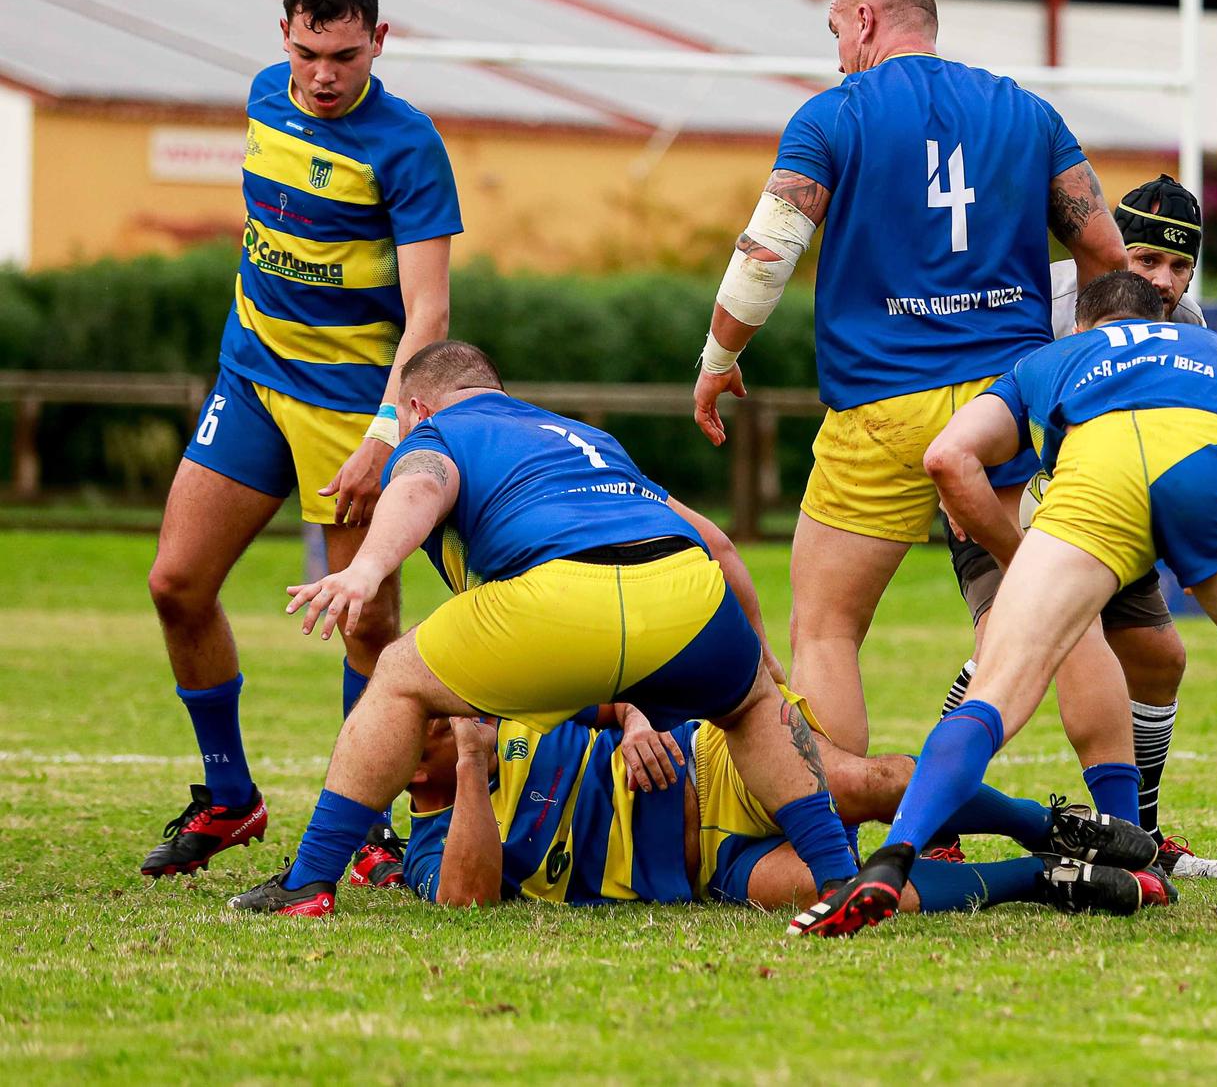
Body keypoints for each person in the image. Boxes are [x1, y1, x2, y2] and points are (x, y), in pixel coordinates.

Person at [794, 272, 1217, 940]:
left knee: (994, 695)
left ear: (1083, 323)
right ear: (1165, 320)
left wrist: (1017, 556)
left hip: (1094, 483)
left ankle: (892, 859)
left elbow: (947, 457)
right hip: (1204, 463)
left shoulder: (1048, 359)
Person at [224, 341, 858, 920]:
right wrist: (758, 659)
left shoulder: (438, 431)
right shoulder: (587, 437)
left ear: (416, 407)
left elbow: (421, 484)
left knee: (395, 675)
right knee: (748, 708)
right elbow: (718, 544)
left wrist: (365, 569)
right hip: (683, 589)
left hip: (560, 595)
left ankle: (307, 885)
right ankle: (837, 879)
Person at [689, 0, 1128, 784]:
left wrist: (719, 359)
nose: (837, 58)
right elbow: (1104, 254)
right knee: (1067, 616)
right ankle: (1124, 823)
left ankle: (839, 834)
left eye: (835, 37)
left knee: (826, 628)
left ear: (863, 21)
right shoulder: (1028, 113)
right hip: (1008, 405)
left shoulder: (832, 116)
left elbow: (766, 257)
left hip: (881, 406)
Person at [140, 0, 458, 886]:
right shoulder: (260, 99)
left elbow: (429, 314)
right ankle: (230, 798)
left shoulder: (407, 145)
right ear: (283, 35)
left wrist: (384, 436)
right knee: (176, 581)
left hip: (352, 405)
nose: (323, 74)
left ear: (380, 41)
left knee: (368, 618)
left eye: (345, 55)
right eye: (308, 52)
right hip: (250, 382)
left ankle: (362, 824)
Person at [936, 176, 1217, 882]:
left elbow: (1202, 413)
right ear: (1109, 247)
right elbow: (978, 397)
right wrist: (964, 475)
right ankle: (938, 820)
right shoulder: (1041, 294)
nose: (1164, 281)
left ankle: (1144, 837)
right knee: (1015, 645)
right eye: (1145, 260)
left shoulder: (1184, 321)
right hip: (1007, 486)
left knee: (1161, 656)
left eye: (1179, 265)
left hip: (1109, 495)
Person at [403, 699, 1151, 920]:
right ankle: (1041, 875)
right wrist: (471, 759)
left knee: (872, 780)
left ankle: (1042, 821)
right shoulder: (432, 847)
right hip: (711, 869)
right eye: (430, 728)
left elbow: (618, 679)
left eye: (439, 712)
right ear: (408, 773)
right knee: (839, 892)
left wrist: (634, 722)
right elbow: (467, 897)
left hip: (714, 759)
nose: (447, 715)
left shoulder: (513, 699)